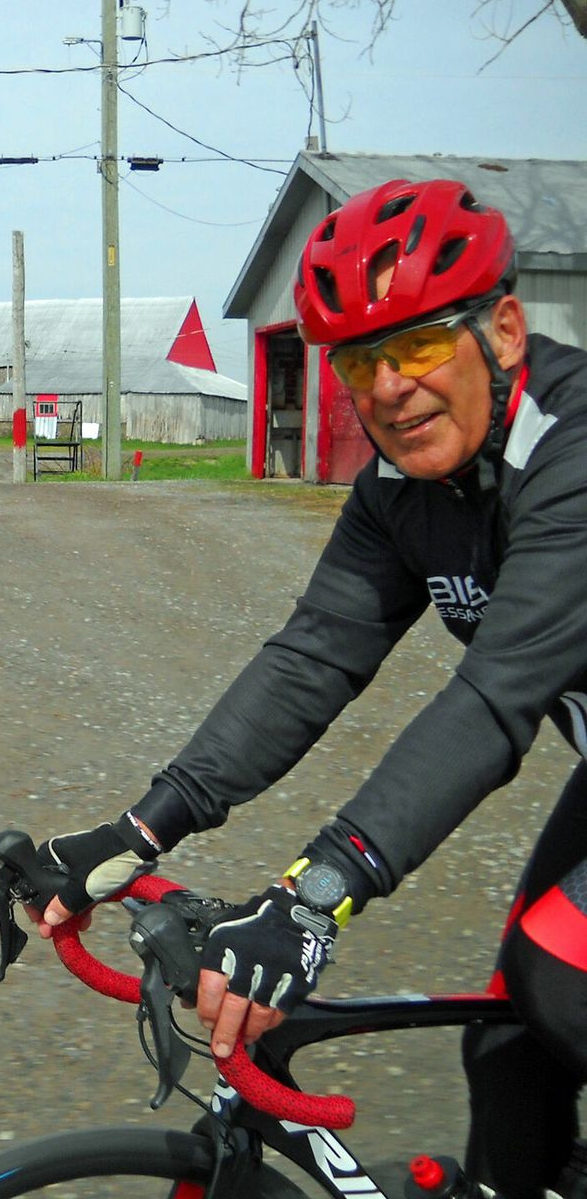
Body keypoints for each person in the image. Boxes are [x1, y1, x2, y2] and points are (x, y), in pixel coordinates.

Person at [31, 177, 587, 1199]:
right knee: (512, 1041)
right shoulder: (398, 490)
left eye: (421, 345)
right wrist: (137, 831)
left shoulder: (573, 450)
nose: (390, 388)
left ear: (504, 331)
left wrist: (313, 898)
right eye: (361, 362)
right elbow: (312, 659)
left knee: (562, 985)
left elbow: (493, 698)